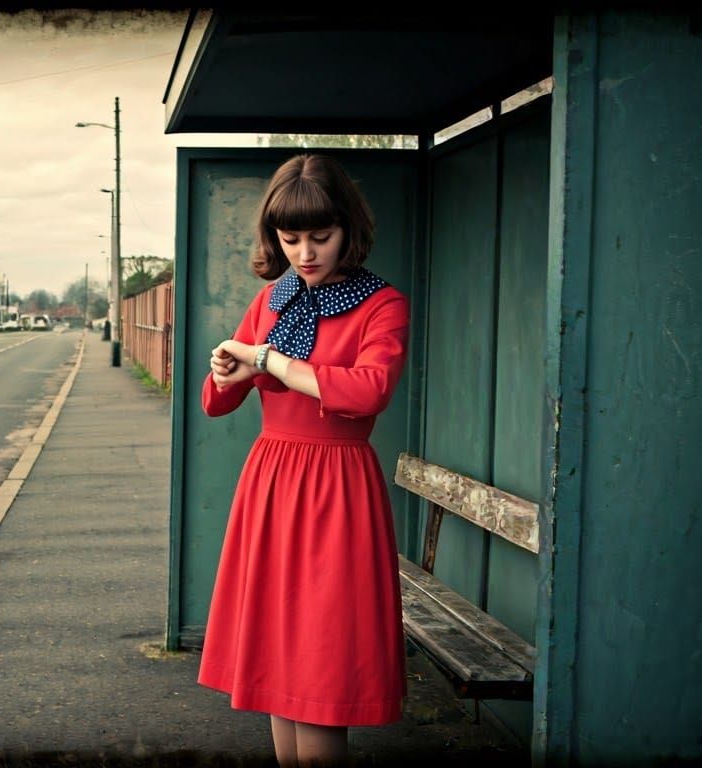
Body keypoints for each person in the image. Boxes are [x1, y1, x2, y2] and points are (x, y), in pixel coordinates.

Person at [197, 154, 409, 766]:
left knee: (319, 662)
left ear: (350, 229)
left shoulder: (381, 304)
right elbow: (217, 403)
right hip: (271, 480)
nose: (305, 252)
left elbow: (368, 390)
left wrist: (268, 362)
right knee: (279, 658)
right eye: (290, 239)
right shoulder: (273, 300)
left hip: (336, 485)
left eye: (321, 236)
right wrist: (226, 368)